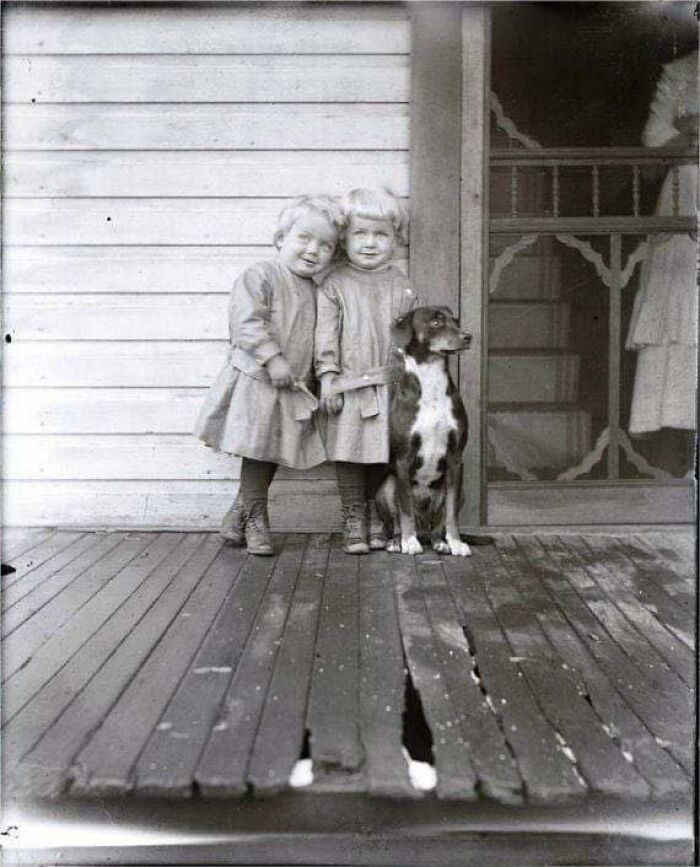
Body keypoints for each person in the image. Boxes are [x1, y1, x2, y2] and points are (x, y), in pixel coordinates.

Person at [194, 196, 344, 555]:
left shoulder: (318, 291)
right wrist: (273, 358)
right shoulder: (262, 274)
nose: (313, 250)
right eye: (304, 238)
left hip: (290, 388)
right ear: (281, 239)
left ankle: (238, 516)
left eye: (325, 245)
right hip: (257, 382)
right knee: (257, 452)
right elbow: (246, 322)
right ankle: (257, 520)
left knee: (268, 452)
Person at [316, 188, 418, 554]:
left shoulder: (401, 285)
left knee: (383, 449)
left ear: (395, 238)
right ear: (344, 238)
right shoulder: (334, 284)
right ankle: (353, 516)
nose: (370, 243)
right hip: (349, 384)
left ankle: (377, 515)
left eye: (381, 234)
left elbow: (409, 339)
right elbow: (325, 335)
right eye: (360, 233)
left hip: (389, 385)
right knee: (348, 450)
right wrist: (328, 377)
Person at [626, 50, 698, 454]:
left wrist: (690, 130)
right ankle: (671, 418)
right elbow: (654, 139)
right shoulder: (680, 71)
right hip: (685, 191)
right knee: (678, 298)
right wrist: (688, 136)